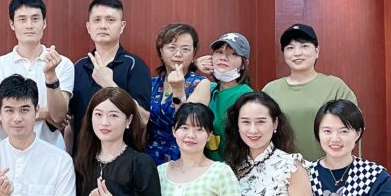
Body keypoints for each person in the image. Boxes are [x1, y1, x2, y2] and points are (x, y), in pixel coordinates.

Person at [0, 0, 73, 149]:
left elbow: (59, 115)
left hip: (51, 151)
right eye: (22, 19)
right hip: (9, 152)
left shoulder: (62, 63)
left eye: (35, 19)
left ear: (44, 23)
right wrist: (45, 113)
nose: (29, 25)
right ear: (12, 24)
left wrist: (51, 76)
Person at [262, 23, 356, 161]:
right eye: (290, 48)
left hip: (329, 168)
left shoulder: (336, 87)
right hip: (283, 169)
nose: (297, 53)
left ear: (317, 51)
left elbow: (353, 129)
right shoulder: (270, 90)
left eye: (304, 46)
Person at [71, 0, 152, 148]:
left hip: (123, 157)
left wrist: (109, 84)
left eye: (110, 20)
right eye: (97, 20)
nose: (103, 25)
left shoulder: (135, 65)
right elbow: (70, 122)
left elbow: (143, 119)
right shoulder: (78, 67)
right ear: (88, 27)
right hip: (83, 157)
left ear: (122, 26)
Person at [147, 23, 210, 165]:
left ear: (194, 52)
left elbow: (190, 124)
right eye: (172, 48)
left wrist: (179, 91)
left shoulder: (200, 83)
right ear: (161, 51)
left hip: (183, 158)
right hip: (149, 157)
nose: (178, 54)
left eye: (185, 49)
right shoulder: (151, 83)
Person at [188, 33, 253, 161]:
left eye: (233, 54)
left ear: (244, 64)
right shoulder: (207, 87)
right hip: (202, 167)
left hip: (232, 167)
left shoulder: (246, 96)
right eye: (219, 52)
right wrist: (193, 66)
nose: (223, 57)